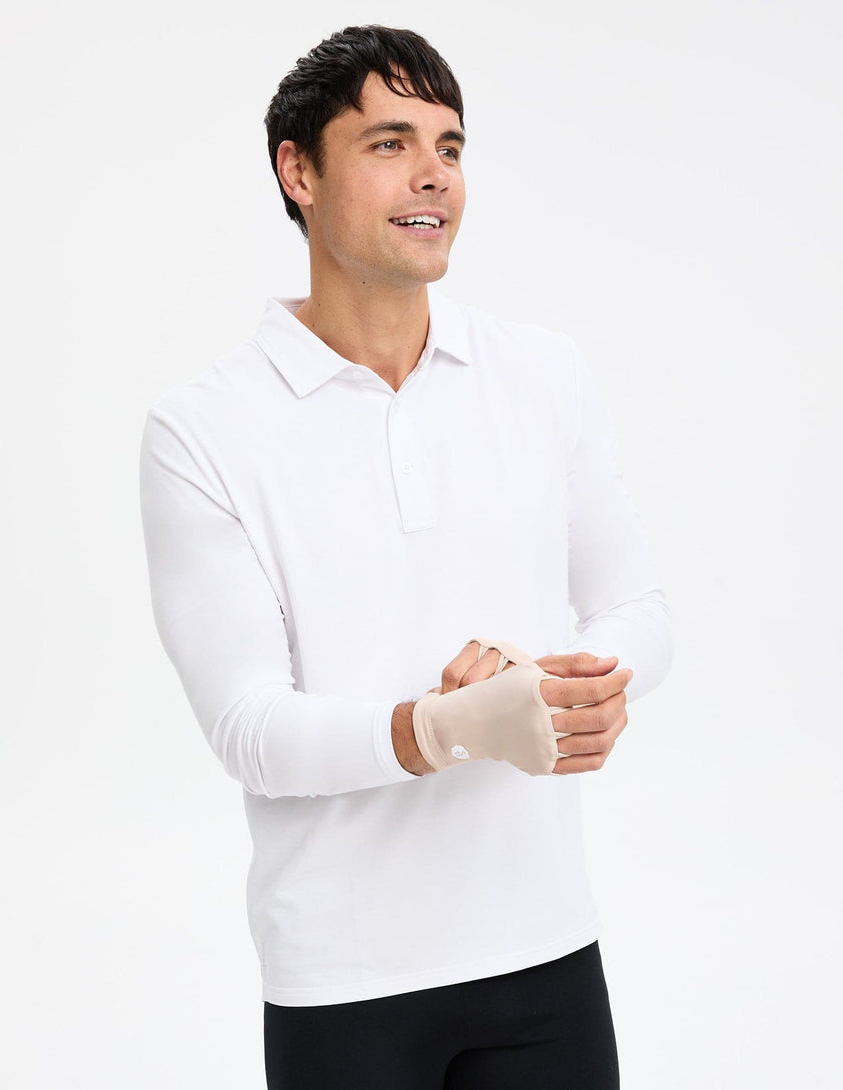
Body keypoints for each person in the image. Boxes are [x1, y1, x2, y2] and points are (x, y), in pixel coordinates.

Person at [139, 24, 672, 1089]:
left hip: (546, 951)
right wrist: (445, 726)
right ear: (298, 172)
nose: (434, 174)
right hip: (343, 982)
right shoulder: (202, 429)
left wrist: (571, 688)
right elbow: (249, 727)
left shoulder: (543, 374)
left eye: (450, 146)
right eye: (390, 143)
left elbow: (638, 610)